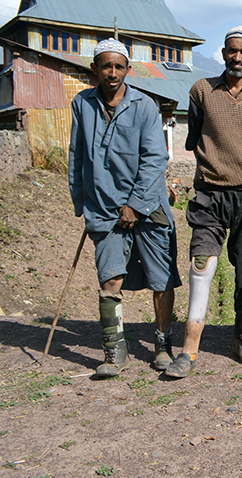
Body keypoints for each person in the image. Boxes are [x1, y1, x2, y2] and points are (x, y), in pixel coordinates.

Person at [165, 26, 242, 378]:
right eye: (232, 51)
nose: (237, 57)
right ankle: (188, 349)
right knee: (201, 265)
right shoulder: (202, 91)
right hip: (209, 192)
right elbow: (196, 135)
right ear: (223, 52)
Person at [69, 38, 181, 378]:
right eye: (106, 66)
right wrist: (81, 203)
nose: (112, 72)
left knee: (161, 279)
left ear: (128, 70)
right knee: (110, 278)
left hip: (148, 206)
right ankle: (115, 352)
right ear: (95, 69)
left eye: (119, 66)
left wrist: (134, 205)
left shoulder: (144, 105)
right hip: (103, 207)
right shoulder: (82, 104)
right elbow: (77, 156)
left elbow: (154, 159)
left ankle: (162, 345)